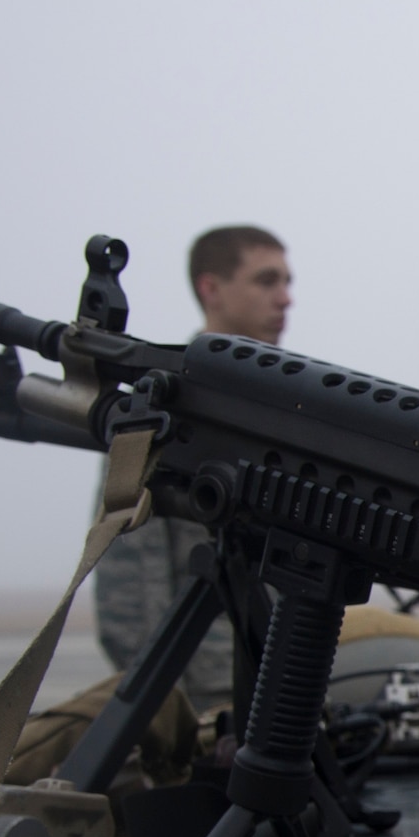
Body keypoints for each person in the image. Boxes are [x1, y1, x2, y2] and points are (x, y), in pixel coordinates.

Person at [93, 225, 293, 711]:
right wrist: (167, 715)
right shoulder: (166, 406)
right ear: (211, 289)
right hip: (207, 694)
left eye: (288, 282)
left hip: (287, 684)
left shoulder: (288, 407)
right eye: (267, 281)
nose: (285, 298)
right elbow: (130, 585)